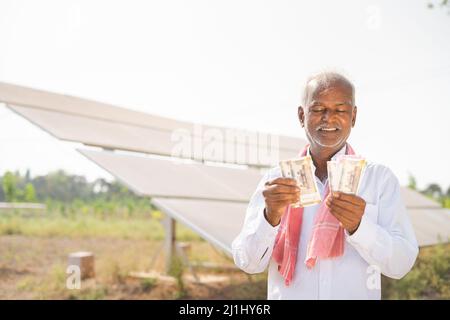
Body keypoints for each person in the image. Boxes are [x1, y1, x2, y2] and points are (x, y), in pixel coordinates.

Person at [232, 72, 418, 299]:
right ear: (302, 115)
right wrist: (270, 216)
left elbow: (401, 264)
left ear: (354, 116)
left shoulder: (378, 179)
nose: (329, 118)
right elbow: (248, 263)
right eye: (318, 109)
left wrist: (360, 227)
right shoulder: (277, 181)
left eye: (340, 110)